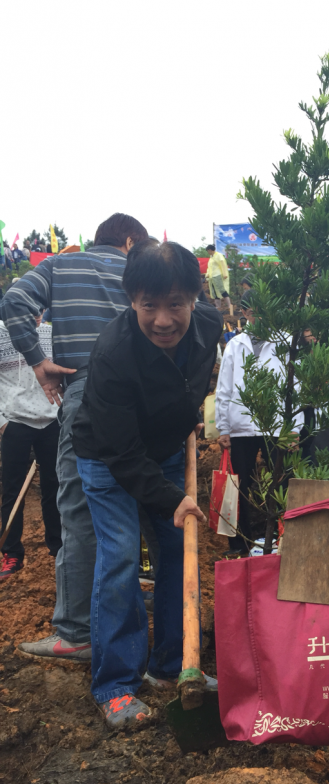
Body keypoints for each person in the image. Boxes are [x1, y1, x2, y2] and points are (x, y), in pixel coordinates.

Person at [72, 240, 223, 728]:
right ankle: (115, 684)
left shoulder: (209, 327)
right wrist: (170, 497)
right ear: (131, 301)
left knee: (181, 551)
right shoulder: (113, 353)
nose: (163, 319)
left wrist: (188, 426)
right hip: (109, 457)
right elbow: (122, 454)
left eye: (175, 303)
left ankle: (171, 665)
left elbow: (193, 384)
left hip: (167, 451)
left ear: (194, 299)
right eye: (149, 305)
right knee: (118, 556)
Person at [0, 213, 149, 662]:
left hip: (87, 390)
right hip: (145, 396)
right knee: (139, 495)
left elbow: (14, 300)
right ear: (129, 241)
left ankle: (77, 630)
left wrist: (38, 361)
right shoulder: (138, 272)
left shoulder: (61, 267)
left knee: (79, 507)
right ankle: (139, 612)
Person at [216, 289, 304, 556]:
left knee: (280, 483)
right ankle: (238, 545)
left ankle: (281, 541)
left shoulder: (287, 344)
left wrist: (294, 428)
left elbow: (295, 388)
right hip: (240, 427)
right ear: (245, 313)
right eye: (257, 311)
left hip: (276, 427)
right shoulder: (234, 345)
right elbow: (224, 388)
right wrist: (223, 427)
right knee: (239, 486)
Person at [0, 312, 61, 578]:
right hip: (15, 421)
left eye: (37, 312)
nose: (34, 317)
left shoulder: (51, 333)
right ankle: (12, 553)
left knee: (55, 486)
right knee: (12, 488)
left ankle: (58, 547)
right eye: (26, 312)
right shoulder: (1, 334)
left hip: (51, 419)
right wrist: (2, 420)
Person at [205, 244, 231, 312]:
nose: (208, 252)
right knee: (214, 292)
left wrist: (225, 274)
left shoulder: (219, 255)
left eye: (208, 251)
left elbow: (223, 264)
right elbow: (209, 267)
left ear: (210, 250)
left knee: (221, 289)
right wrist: (207, 274)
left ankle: (229, 306)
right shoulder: (211, 258)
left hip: (218, 275)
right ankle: (218, 307)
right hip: (212, 276)